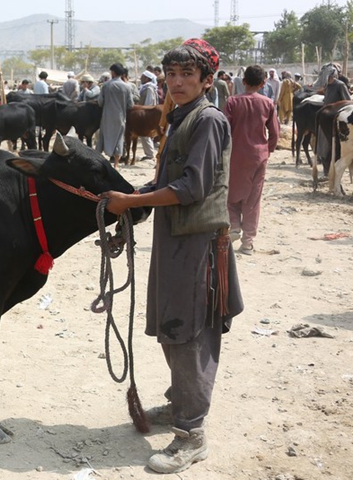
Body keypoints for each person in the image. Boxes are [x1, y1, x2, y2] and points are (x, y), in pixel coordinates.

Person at [100, 38, 243, 474]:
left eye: (187, 75)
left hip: (197, 245)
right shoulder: (178, 116)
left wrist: (129, 201)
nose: (177, 82)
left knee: (190, 333)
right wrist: (132, 198)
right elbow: (169, 180)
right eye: (172, 74)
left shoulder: (208, 120)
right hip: (174, 239)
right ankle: (181, 404)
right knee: (169, 327)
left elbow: (192, 188)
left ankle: (192, 434)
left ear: (207, 80)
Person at [224, 65, 280, 255]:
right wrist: (267, 151)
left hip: (234, 155)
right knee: (253, 198)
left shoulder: (232, 102)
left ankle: (233, 226)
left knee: (231, 194)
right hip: (258, 157)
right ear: (264, 83)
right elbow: (274, 133)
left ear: (244, 81)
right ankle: (247, 242)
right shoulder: (268, 103)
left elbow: (224, 130)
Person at [97, 63, 134, 168]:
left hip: (107, 116)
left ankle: (99, 161)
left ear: (113, 72)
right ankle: (116, 164)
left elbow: (100, 102)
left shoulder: (106, 85)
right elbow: (130, 105)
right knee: (119, 139)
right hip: (120, 117)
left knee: (103, 137)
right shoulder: (127, 87)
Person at [138, 70, 159, 160]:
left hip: (147, 114)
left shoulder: (149, 88)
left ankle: (150, 154)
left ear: (147, 78)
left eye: (142, 77)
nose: (141, 78)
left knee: (145, 134)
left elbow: (149, 103)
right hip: (145, 113)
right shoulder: (145, 87)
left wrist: (144, 113)